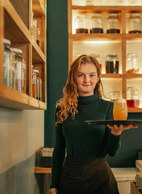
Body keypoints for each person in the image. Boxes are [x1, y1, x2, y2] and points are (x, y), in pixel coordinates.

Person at [49, 54, 137, 194]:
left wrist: (116, 133)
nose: (86, 80)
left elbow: (112, 152)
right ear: (73, 78)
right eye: (81, 75)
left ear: (97, 78)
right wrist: (53, 185)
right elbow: (59, 149)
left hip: (101, 181)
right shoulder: (62, 109)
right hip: (70, 180)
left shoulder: (108, 107)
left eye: (91, 75)